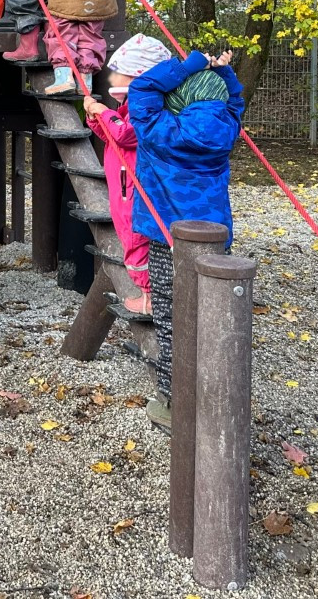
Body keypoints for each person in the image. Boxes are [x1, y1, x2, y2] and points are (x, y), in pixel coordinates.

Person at [127, 46, 245, 427]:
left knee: (172, 314)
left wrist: (191, 63)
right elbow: (236, 100)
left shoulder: (164, 132)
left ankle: (174, 401)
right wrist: (224, 73)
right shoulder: (226, 130)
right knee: (211, 313)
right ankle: (218, 390)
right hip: (214, 236)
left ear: (178, 100)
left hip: (170, 239)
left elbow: (142, 88)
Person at [81, 34, 172, 316]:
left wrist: (104, 113)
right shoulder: (133, 107)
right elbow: (113, 136)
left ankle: (150, 295)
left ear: (137, 77)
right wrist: (97, 119)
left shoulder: (146, 109)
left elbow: (126, 134)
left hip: (131, 186)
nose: (110, 79)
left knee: (134, 237)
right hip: (124, 183)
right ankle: (150, 291)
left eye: (117, 73)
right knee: (127, 233)